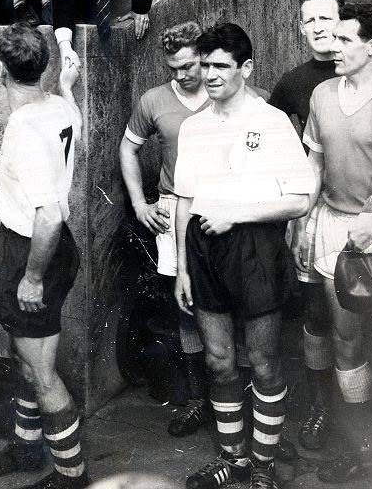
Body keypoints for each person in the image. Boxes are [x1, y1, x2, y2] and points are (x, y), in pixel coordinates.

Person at [174, 22, 314, 489]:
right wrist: (181, 267)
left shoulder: (271, 120)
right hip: (203, 248)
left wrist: (237, 213)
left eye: (220, 66)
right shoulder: (194, 127)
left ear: (246, 68)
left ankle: (263, 466)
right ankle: (232, 460)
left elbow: (299, 199)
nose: (210, 75)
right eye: (204, 65)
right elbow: (185, 201)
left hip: (255, 247)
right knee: (218, 359)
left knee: (264, 359)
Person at [0, 23, 89, 489]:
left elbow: (50, 217)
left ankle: (72, 475)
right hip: (20, 244)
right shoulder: (59, 104)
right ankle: (25, 449)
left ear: (0, 68)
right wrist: (65, 85)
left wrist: (33, 278)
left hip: (35, 249)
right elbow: (74, 120)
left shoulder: (23, 131)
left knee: (41, 371)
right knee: (24, 357)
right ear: (43, 70)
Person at [294, 4, 372, 483]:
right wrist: (303, 217)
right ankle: (359, 442)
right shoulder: (321, 93)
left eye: (346, 40)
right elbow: (314, 162)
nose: (333, 46)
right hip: (331, 226)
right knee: (341, 336)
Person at [120, 22, 214, 438]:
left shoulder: (225, 91)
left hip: (223, 207)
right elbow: (129, 147)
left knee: (230, 299)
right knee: (186, 304)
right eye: (173, 68)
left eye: (189, 66)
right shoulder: (154, 100)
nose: (182, 75)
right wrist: (141, 202)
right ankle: (198, 398)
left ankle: (235, 397)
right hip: (175, 205)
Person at [267, 0, 342, 452]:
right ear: (299, 28)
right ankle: (321, 405)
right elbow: (272, 140)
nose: (317, 26)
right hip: (314, 210)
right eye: (308, 19)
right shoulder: (293, 83)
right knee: (315, 313)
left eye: (326, 17)